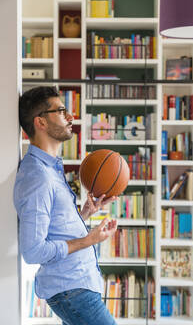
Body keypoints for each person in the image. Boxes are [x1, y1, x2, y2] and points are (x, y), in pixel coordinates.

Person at [13, 86, 118, 325]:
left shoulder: (50, 168)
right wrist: (89, 239)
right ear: (40, 122)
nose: (70, 117)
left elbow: (53, 227)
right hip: (72, 291)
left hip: (77, 288)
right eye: (61, 111)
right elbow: (33, 251)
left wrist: (85, 213)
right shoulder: (37, 176)